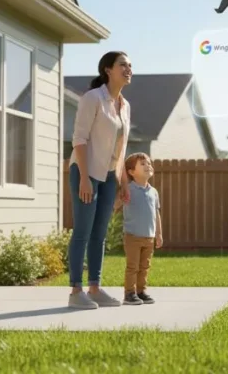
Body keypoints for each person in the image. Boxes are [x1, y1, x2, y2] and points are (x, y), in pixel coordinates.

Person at [66, 50, 133, 310]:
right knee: (82, 232)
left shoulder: (125, 106)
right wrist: (84, 178)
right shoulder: (92, 98)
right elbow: (79, 139)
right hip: (86, 172)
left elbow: (122, 148)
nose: (129, 69)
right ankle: (75, 291)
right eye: (123, 65)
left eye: (130, 66)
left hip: (109, 176)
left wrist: (124, 182)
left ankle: (95, 288)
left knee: (99, 234)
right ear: (108, 69)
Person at [114, 152, 163, 306]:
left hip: (149, 237)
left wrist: (159, 234)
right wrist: (120, 197)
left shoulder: (153, 192)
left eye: (149, 163)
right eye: (142, 164)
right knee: (133, 266)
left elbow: (156, 214)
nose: (148, 165)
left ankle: (141, 291)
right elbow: (115, 206)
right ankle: (129, 293)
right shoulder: (128, 189)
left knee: (144, 266)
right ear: (131, 172)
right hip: (132, 236)